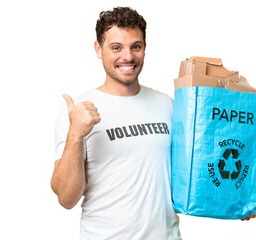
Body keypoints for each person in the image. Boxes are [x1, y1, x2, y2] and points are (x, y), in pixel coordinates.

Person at [51, 7, 182, 239]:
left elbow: (189, 171)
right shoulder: (78, 110)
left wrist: (231, 197)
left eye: (136, 46)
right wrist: (75, 135)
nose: (128, 57)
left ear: (144, 48)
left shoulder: (167, 105)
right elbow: (66, 199)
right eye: (116, 48)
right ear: (98, 50)